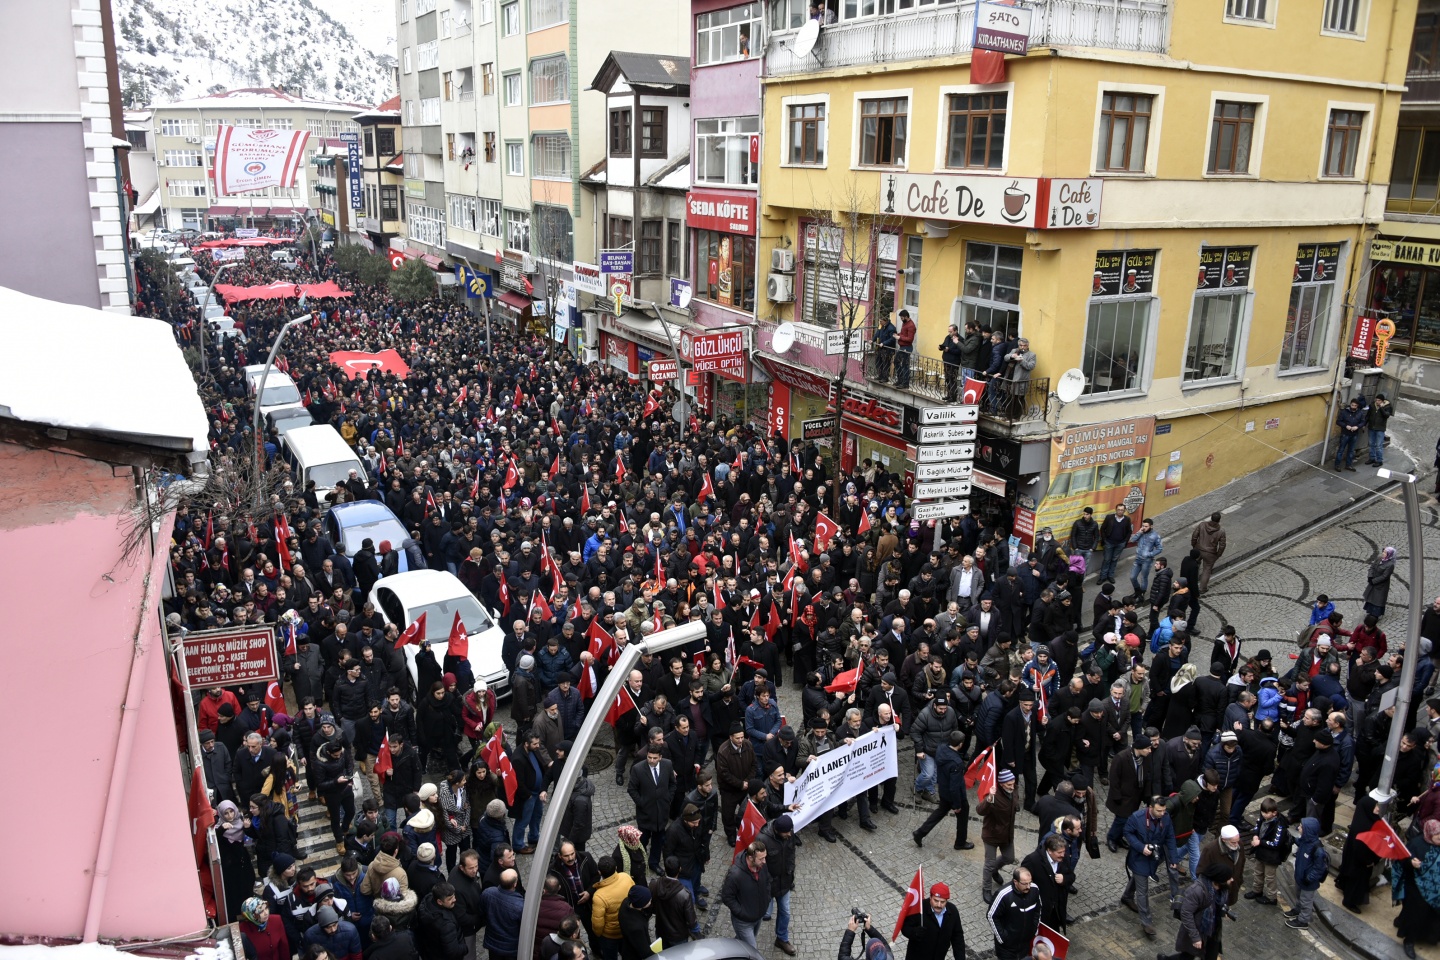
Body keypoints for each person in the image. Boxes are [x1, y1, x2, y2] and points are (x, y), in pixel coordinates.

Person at [1121, 796, 1179, 940]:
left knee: (1139, 878)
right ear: (1150, 807)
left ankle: (1127, 896)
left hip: (1154, 858)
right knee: (1143, 890)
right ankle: (1146, 922)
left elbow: (1170, 837)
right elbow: (1127, 833)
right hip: (1139, 858)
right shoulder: (1137, 817)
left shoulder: (1165, 818)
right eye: (1159, 810)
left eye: (1164, 810)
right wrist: (1141, 847)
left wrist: (1173, 858)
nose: (1162, 813)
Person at [912, 731, 972, 850]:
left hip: (943, 790)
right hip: (954, 795)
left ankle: (920, 832)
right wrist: (956, 805)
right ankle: (960, 842)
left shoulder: (941, 749)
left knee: (940, 812)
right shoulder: (956, 763)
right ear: (960, 744)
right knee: (963, 815)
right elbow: (955, 787)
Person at [627, 743, 677, 872]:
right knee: (642, 840)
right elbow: (632, 789)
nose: (651, 760)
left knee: (658, 840)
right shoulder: (638, 769)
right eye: (649, 757)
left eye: (655, 758)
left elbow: (672, 784)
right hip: (645, 814)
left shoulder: (667, 765)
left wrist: (668, 799)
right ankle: (639, 862)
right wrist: (642, 803)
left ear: (660, 757)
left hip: (662, 812)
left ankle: (654, 863)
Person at [1396, 820, 1440, 957]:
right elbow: (1402, 860)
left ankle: (1427, 936)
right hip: (1417, 889)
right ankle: (1409, 941)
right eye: (1438, 837)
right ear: (1429, 834)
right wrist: (1411, 862)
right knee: (1416, 915)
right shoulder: (1416, 844)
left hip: (1435, 889)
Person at [757, 815, 798, 955]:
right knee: (759, 913)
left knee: (785, 911)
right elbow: (760, 865)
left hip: (785, 882)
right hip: (768, 885)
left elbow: (792, 852)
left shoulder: (789, 833)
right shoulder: (762, 839)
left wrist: (791, 869)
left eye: (790, 831)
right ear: (777, 830)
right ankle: (746, 941)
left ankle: (782, 939)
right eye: (786, 832)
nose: (790, 834)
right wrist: (767, 881)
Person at [720, 841, 771, 949]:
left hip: (758, 915)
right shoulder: (735, 874)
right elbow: (726, 897)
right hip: (743, 921)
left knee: (742, 942)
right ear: (751, 858)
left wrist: (766, 899)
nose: (764, 861)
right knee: (751, 950)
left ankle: (730, 952)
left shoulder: (762, 866)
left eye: (765, 857)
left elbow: (767, 882)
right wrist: (741, 912)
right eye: (761, 859)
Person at [979, 768, 1019, 902]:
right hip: (991, 835)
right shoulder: (994, 795)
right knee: (989, 864)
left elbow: (1015, 803)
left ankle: (995, 870)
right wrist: (989, 798)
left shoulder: (1014, 790)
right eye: (1008, 784)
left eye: (1013, 783)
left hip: (1007, 835)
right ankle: (986, 888)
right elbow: (980, 810)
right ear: (1001, 784)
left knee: (1009, 858)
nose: (1012, 786)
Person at [899, 882, 966, 960]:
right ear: (930, 897)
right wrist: (914, 933)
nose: (939, 905)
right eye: (936, 900)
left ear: (946, 901)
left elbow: (957, 937)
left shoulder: (953, 911)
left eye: (942, 902)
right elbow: (905, 928)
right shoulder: (919, 909)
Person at [986, 867, 1041, 960]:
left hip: (1025, 942)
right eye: (1024, 884)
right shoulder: (1003, 894)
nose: (1028, 887)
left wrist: (1034, 929)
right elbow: (991, 916)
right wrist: (1002, 938)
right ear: (1015, 882)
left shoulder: (1034, 889)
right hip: (1007, 948)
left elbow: (1038, 910)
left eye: (1030, 882)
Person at [1286, 817, 1329, 930]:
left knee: (1306, 901)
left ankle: (1303, 921)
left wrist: (1309, 878)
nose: (1298, 827)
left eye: (1301, 826)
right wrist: (1293, 839)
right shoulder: (1305, 840)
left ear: (1307, 830)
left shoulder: (1318, 850)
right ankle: (1298, 910)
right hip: (1300, 878)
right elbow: (1299, 842)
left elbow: (1319, 868)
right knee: (1299, 896)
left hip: (1308, 882)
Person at [479, 869, 525, 960]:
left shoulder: (487, 893)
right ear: (515, 884)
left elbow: (482, 912)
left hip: (493, 943)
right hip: (511, 948)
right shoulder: (520, 905)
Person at [1190, 513, 1226, 594]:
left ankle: (1192, 585)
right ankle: (1202, 588)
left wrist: (1194, 546)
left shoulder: (1202, 525)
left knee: (1194, 567)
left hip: (1198, 549)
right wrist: (1218, 554)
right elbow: (1222, 545)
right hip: (1210, 553)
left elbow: (1194, 536)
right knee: (1207, 570)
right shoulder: (1221, 531)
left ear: (1211, 518)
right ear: (1219, 520)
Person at [1098, 504, 1133, 584]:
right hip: (1109, 543)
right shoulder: (1109, 517)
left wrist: (1125, 541)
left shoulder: (1127, 519)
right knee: (1107, 560)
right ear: (1116, 510)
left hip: (1120, 544)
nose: (1120, 511)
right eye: (1118, 509)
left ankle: (1110, 576)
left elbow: (1129, 531)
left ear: (1124, 511)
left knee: (1114, 560)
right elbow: (1103, 529)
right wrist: (1105, 539)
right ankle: (1103, 577)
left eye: (1122, 510)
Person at [617, 887, 654, 960]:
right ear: (641, 904)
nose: (650, 901)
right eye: (648, 900)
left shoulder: (626, 902)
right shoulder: (636, 928)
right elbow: (645, 952)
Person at [1365, 547, 1397, 619]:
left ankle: (1376, 614)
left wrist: (1374, 581)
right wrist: (1370, 576)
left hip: (1381, 585)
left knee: (1378, 600)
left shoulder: (1390, 565)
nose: (1383, 553)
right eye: (1384, 552)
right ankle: (1370, 611)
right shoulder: (1379, 558)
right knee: (1371, 597)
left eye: (1385, 552)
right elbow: (1372, 567)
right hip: (1373, 582)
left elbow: (1384, 576)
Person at [1367, 393, 1394, 466]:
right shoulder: (1372, 405)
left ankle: (1379, 460)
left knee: (1379, 445)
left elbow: (1386, 415)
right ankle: (1372, 458)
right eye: (1376, 400)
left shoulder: (1387, 407)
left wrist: (1381, 408)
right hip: (1372, 427)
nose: (1377, 401)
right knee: (1371, 444)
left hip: (1380, 428)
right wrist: (1364, 424)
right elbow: (1368, 415)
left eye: (1379, 400)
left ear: (1382, 401)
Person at [895, 309, 917, 389]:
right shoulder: (905, 323)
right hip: (902, 346)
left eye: (902, 317)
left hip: (907, 347)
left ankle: (905, 383)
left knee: (905, 365)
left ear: (906, 317)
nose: (901, 319)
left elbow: (910, 339)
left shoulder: (911, 325)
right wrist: (898, 334)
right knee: (896, 362)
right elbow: (904, 333)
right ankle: (900, 380)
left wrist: (900, 337)